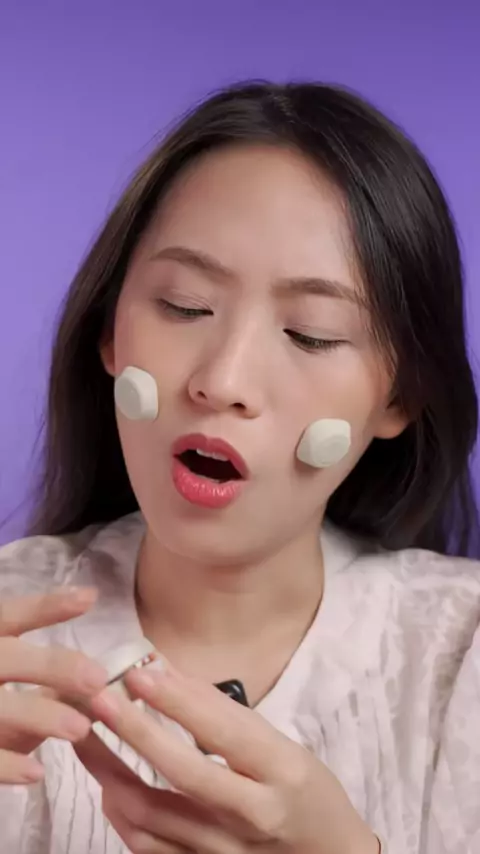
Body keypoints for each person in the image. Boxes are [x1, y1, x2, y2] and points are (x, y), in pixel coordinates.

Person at [0, 79, 479, 854]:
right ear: (110, 334)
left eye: (312, 334)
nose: (222, 381)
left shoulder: (462, 656)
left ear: (401, 396)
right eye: (185, 305)